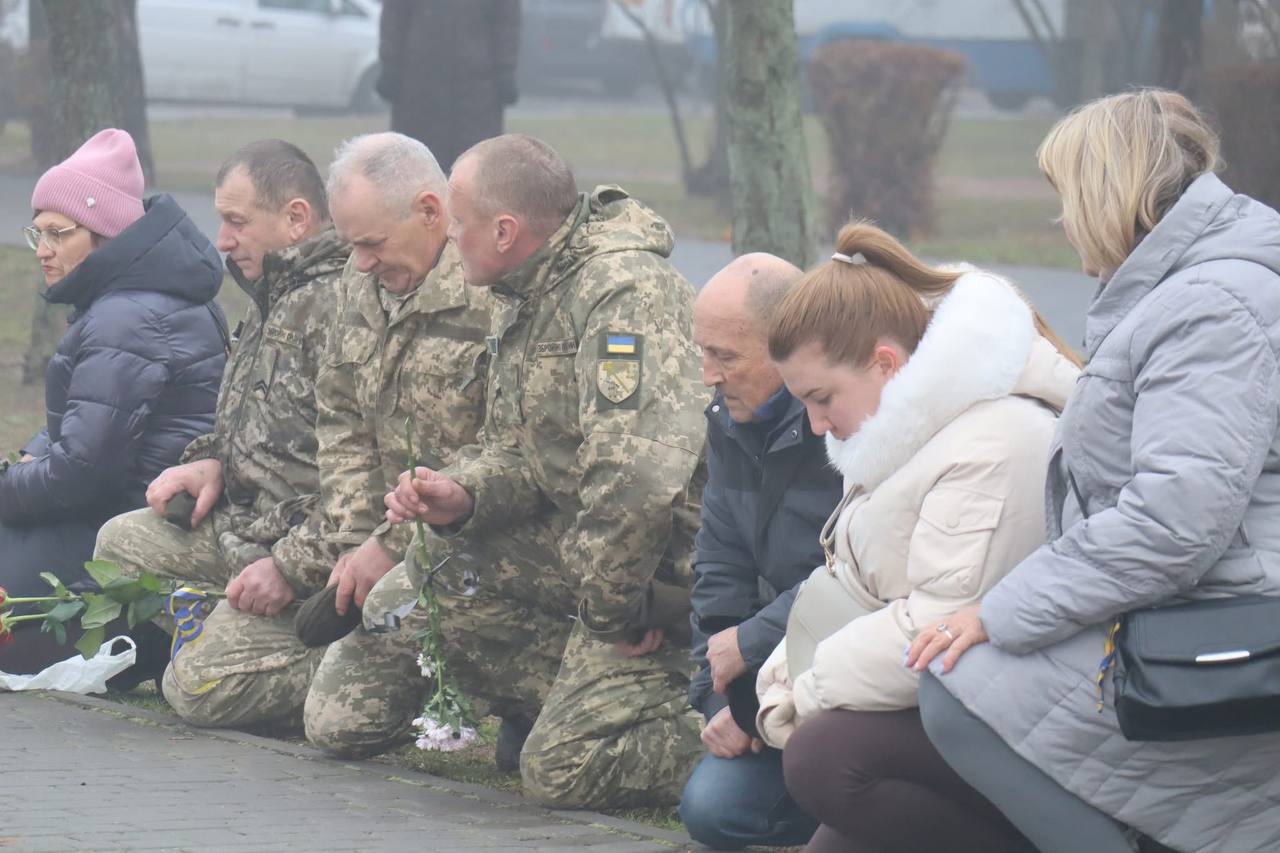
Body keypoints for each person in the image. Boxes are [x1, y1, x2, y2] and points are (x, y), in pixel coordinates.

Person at [910, 89, 1280, 853]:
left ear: (1110, 194)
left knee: (959, 691)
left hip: (1232, 610)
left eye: (1066, 200)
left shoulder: (1210, 303)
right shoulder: (1191, 288)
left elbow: (1175, 520)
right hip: (1198, 590)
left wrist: (1000, 610)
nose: (1063, 222)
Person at [382, 133, 708, 809]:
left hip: (658, 576)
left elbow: (636, 481)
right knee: (415, 587)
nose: (451, 240)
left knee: (560, 769)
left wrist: (613, 611)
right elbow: (522, 453)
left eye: (460, 223)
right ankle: (560, 696)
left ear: (505, 230)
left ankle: (734, 727)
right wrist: (464, 492)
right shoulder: (527, 289)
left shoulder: (622, 292)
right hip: (584, 555)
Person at [755, 221, 1081, 853]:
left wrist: (809, 689)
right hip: (922, 702)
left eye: (822, 397)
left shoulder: (997, 440)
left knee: (820, 762)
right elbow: (850, 584)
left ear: (886, 363)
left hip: (1006, 721)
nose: (816, 423)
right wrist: (784, 671)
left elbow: (935, 627)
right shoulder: (904, 430)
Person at [94, 139, 348, 726]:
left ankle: (356, 658)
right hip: (245, 532)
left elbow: (357, 479)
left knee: (194, 689)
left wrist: (288, 567)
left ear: (295, 220)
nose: (224, 240)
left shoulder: (336, 307)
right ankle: (244, 641)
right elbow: (248, 417)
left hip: (308, 555)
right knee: (120, 548)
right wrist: (208, 459)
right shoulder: (273, 295)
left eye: (237, 221)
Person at [0, 128, 226, 675]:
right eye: (38, 234)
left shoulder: (124, 318)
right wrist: (34, 449)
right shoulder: (139, 297)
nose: (44, 251)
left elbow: (82, 474)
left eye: (59, 233)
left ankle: (148, 646)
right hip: (128, 511)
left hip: (125, 530)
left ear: (105, 235)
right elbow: (96, 421)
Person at [300, 132, 493, 757]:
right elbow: (340, 421)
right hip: (381, 547)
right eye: (350, 244)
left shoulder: (494, 296)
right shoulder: (361, 289)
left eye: (371, 243)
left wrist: (388, 548)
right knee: (331, 723)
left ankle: (499, 697)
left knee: (336, 718)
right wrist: (360, 541)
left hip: (479, 545)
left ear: (430, 212)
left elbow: (505, 451)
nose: (359, 263)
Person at [677, 253, 840, 849]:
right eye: (704, 351)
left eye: (726, 356)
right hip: (768, 674)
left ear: (785, 348)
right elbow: (720, 572)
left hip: (844, 665)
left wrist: (753, 651)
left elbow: (853, 574)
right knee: (709, 810)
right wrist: (724, 703)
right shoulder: (729, 422)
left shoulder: (840, 420)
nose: (707, 374)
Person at [376, 0, 521, 171]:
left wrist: (505, 69)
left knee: (477, 167)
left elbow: (506, 22)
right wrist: (390, 64)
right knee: (416, 166)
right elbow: (394, 15)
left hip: (476, 88)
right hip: (421, 85)